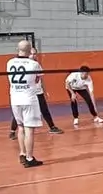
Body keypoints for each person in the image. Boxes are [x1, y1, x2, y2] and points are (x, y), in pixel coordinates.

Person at [8, 47, 63, 139]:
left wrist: (44, 91)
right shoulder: (26, 64)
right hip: (27, 93)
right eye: (31, 54)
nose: (33, 55)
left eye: (34, 54)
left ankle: (52, 127)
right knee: (19, 112)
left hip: (37, 92)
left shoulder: (36, 65)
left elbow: (40, 80)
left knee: (44, 109)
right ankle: (12, 131)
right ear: (27, 53)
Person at [6, 40, 44, 168]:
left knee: (20, 127)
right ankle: (29, 157)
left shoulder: (10, 62)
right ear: (30, 51)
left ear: (17, 49)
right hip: (29, 99)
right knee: (29, 129)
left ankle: (22, 153)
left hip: (15, 99)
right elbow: (37, 80)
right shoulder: (34, 64)